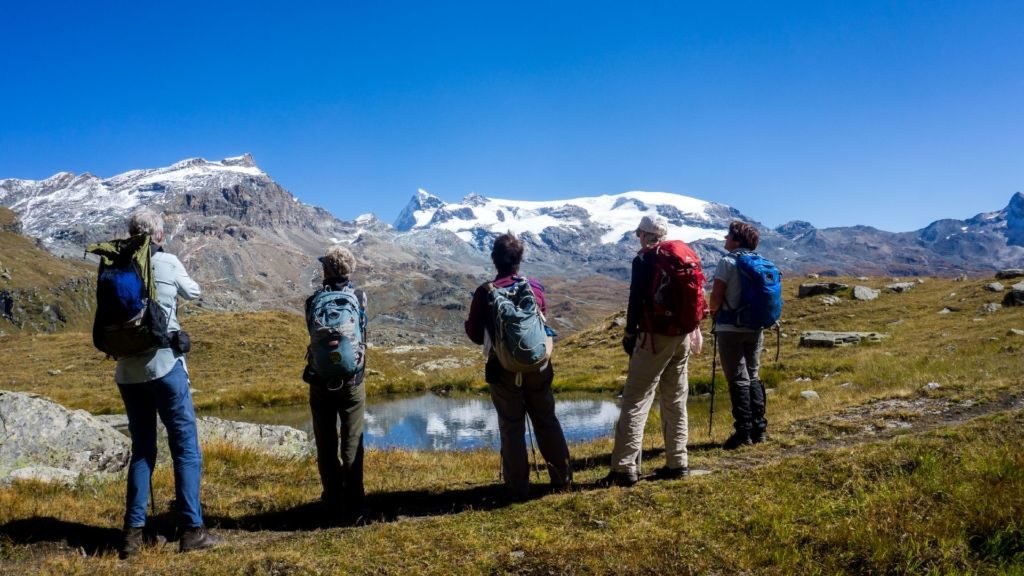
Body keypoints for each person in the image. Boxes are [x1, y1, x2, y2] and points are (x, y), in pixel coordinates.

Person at [114, 208, 218, 557]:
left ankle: (132, 536)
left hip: (128, 373)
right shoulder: (168, 261)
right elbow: (195, 292)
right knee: (185, 447)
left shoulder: (115, 264)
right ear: (158, 235)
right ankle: (192, 530)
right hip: (165, 366)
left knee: (143, 450)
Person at [464, 232, 572, 500]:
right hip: (538, 366)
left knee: (511, 427)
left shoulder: (485, 292)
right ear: (520, 259)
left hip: (503, 370)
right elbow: (542, 321)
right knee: (546, 420)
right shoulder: (534, 287)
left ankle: (517, 489)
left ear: (494, 259)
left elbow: (476, 334)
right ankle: (562, 480)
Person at [600, 215, 703, 487]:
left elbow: (636, 297)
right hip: (682, 336)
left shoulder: (646, 258)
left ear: (645, 234)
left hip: (653, 338)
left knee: (637, 398)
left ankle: (624, 467)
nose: (638, 238)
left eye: (638, 234)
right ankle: (678, 462)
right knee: (675, 399)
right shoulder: (682, 254)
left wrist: (630, 332)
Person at [303, 245, 368, 523]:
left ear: (326, 270)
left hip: (320, 380)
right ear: (349, 270)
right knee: (352, 441)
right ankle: (355, 502)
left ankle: (332, 499)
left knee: (326, 442)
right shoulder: (359, 297)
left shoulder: (312, 300)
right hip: (352, 380)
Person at [709, 220, 767, 449]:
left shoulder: (728, 261)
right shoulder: (760, 261)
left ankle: (743, 433)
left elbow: (716, 297)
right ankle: (759, 429)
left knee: (737, 378)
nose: (725, 239)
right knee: (753, 375)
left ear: (737, 240)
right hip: (755, 327)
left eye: (728, 236)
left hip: (730, 329)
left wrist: (712, 310)